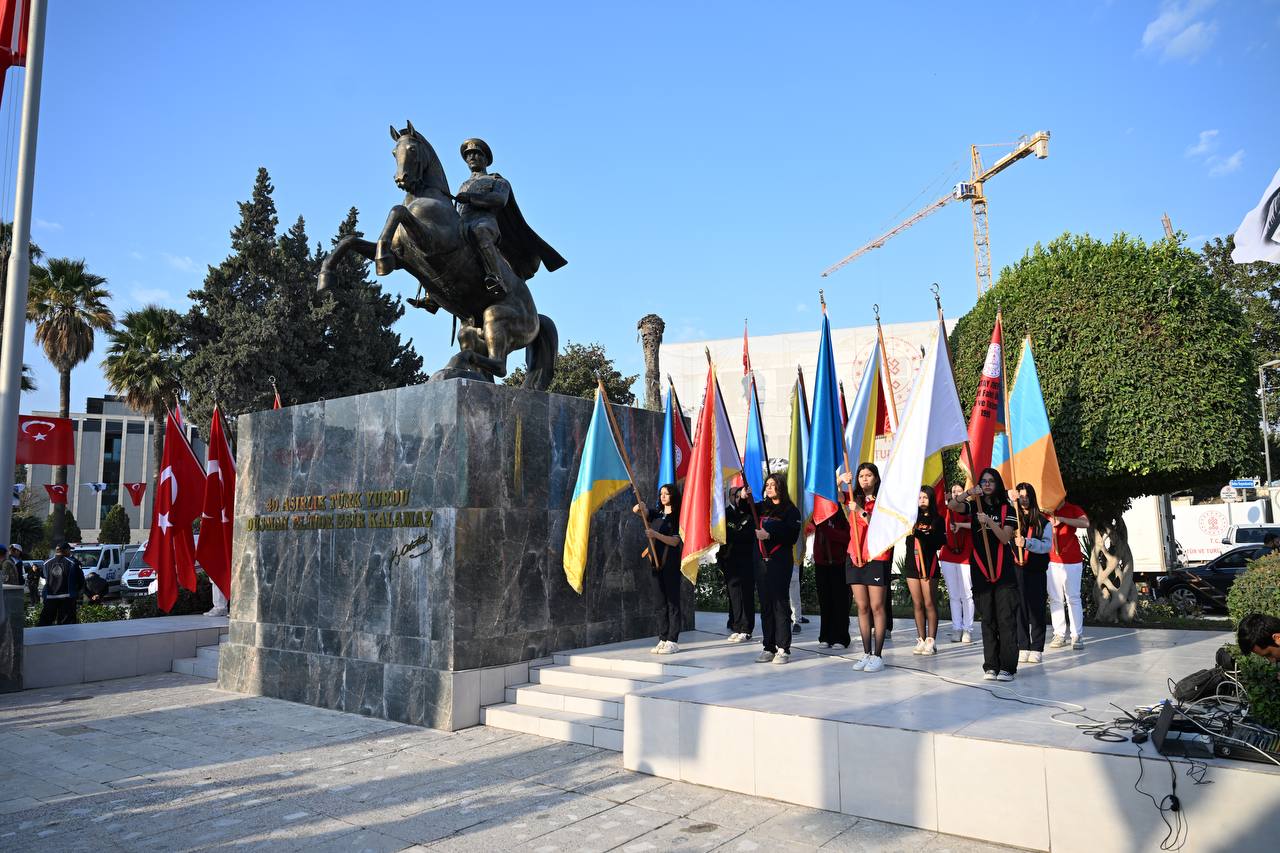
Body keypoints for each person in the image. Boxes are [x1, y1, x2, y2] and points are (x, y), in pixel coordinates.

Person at [950, 469, 1019, 681]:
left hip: (1003, 571)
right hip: (980, 569)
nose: (987, 484)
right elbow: (952, 506)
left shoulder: (1007, 508)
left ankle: (1007, 666)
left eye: (991, 481)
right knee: (987, 619)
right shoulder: (974, 505)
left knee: (1005, 619)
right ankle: (991, 665)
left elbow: (1006, 538)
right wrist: (969, 492)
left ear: (997, 483)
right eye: (984, 481)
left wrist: (989, 522)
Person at [842, 463, 894, 673]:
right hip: (855, 556)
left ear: (875, 478)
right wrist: (840, 483)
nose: (864, 479)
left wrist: (861, 511)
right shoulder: (854, 499)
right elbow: (841, 508)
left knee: (877, 607)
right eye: (861, 475)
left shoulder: (883, 500)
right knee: (862, 607)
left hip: (876, 556)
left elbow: (880, 525)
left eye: (868, 475)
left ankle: (878, 655)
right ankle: (866, 653)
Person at [751, 475, 802, 664]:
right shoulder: (762, 507)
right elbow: (743, 508)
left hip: (780, 561)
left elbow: (791, 535)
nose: (770, 488)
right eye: (767, 485)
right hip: (761, 562)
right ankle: (768, 646)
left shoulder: (791, 510)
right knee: (765, 605)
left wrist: (769, 534)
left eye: (773, 485)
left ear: (781, 487)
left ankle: (783, 648)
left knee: (780, 603)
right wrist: (741, 495)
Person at [632, 484, 684, 655]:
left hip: (671, 563)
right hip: (655, 563)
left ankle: (673, 639)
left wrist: (656, 535)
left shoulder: (678, 516)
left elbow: (676, 541)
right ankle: (663, 638)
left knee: (672, 601)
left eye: (666, 494)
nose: (663, 497)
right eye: (661, 493)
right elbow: (641, 512)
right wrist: (639, 506)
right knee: (660, 602)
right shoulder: (657, 514)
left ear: (673, 496)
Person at [1012, 483, 1053, 665]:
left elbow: (1046, 546)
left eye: (1027, 495)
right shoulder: (1013, 519)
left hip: (1036, 570)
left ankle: (1037, 647)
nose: (1024, 499)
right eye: (1020, 496)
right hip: (1017, 569)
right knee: (1019, 608)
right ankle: (1023, 646)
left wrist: (1027, 543)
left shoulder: (1043, 521)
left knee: (1036, 609)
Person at [904, 487, 946, 656]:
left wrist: (925, 535)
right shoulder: (910, 518)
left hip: (929, 564)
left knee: (929, 602)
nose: (922, 500)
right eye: (919, 497)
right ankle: (921, 639)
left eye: (925, 497)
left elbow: (939, 542)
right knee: (917, 603)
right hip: (912, 564)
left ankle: (931, 640)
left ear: (931, 499)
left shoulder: (937, 519)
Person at [1046, 498, 1090, 652]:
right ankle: (1059, 634)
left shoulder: (1073, 508)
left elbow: (1085, 523)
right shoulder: (1045, 511)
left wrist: (1062, 519)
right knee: (1055, 598)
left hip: (1072, 559)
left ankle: (1077, 635)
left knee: (1073, 597)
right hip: (1051, 560)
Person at [939, 483, 975, 644]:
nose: (955, 493)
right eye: (953, 491)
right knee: (954, 595)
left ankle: (968, 628)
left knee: (967, 594)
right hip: (948, 555)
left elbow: (975, 524)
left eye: (959, 491)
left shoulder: (969, 508)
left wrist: (960, 525)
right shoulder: (946, 510)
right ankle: (956, 627)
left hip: (966, 555)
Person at [722, 485, 757, 643]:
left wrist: (735, 534)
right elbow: (724, 535)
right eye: (734, 496)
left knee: (746, 595)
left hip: (747, 560)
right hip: (730, 560)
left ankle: (746, 628)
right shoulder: (725, 515)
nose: (736, 499)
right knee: (734, 596)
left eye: (739, 496)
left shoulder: (750, 514)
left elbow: (747, 535)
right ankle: (736, 626)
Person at [813, 509, 852, 649]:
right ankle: (825, 636)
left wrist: (829, 531)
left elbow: (848, 536)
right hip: (821, 562)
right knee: (825, 601)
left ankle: (841, 637)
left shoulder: (843, 515)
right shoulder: (818, 513)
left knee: (840, 601)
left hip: (839, 563)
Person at [37, 542, 85, 626]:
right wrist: (77, 591)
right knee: (67, 624)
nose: (70, 552)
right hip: (67, 597)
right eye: (69, 550)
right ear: (66, 550)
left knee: (45, 622)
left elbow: (43, 576)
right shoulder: (73, 563)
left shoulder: (46, 563)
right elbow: (81, 580)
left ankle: (44, 638)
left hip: (50, 597)